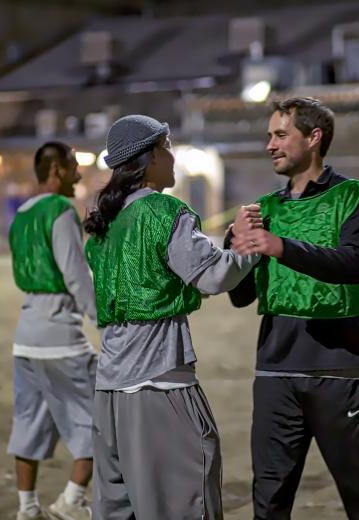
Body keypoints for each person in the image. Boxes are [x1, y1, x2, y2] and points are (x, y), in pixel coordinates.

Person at [227, 97, 359, 519]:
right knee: (269, 502)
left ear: (314, 137)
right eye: (269, 135)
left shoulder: (354, 198)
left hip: (340, 370)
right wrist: (235, 249)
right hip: (275, 372)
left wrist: (278, 246)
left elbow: (354, 265)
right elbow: (242, 295)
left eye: (281, 135)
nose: (270, 144)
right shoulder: (264, 209)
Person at [84, 115, 258, 520]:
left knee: (118, 510)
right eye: (166, 146)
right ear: (148, 159)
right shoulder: (164, 212)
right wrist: (250, 249)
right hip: (159, 386)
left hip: (109, 393)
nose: (172, 154)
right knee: (187, 504)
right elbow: (214, 276)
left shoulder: (105, 225)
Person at [7, 142, 97, 520]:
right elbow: (75, 275)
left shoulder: (21, 214)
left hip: (26, 336)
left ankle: (27, 509)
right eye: (74, 167)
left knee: (28, 424)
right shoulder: (61, 210)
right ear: (57, 169)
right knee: (101, 421)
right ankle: (71, 502)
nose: (78, 175)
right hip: (61, 336)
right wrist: (103, 320)